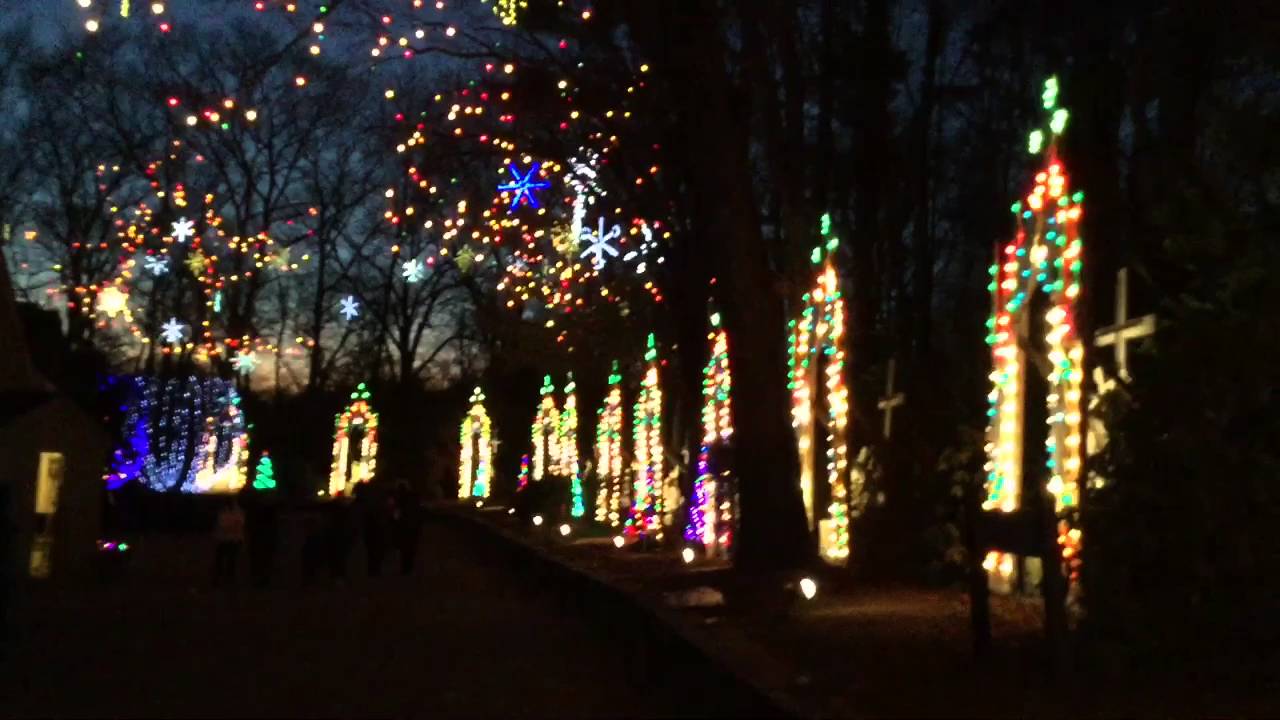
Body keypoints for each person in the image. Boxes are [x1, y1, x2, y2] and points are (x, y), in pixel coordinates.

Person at [354, 483, 390, 577]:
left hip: (373, 528)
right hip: (373, 528)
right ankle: (374, 568)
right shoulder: (370, 502)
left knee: (373, 549)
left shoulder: (366, 502)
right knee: (373, 549)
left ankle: (373, 568)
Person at [392, 482, 424, 576]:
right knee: (411, 548)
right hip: (413, 527)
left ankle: (406, 568)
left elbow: (397, 515)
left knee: (405, 549)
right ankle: (408, 567)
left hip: (405, 527)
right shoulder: (414, 499)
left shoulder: (401, 500)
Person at [212, 497, 246, 586]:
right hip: (225, 539)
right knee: (221, 560)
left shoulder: (236, 511)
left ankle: (227, 579)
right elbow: (223, 524)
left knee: (230, 560)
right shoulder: (227, 511)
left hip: (232, 539)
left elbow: (240, 523)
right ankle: (220, 579)